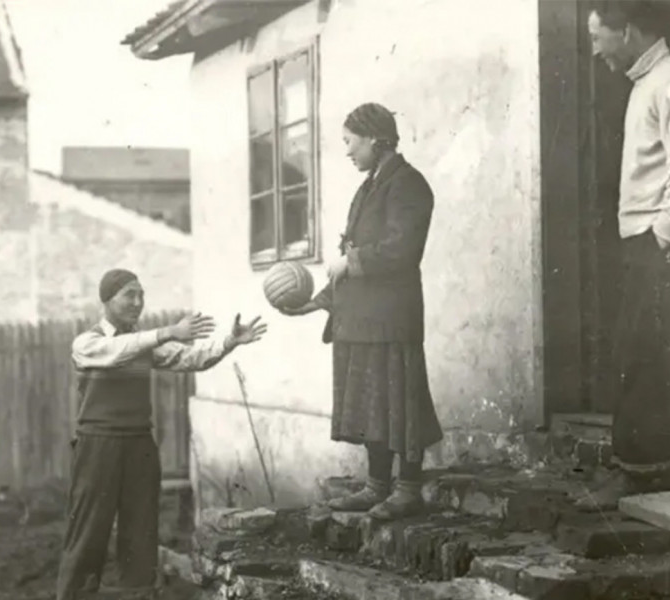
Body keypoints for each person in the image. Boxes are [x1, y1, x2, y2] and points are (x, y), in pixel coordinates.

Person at [56, 269, 267, 599]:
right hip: (98, 445)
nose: (138, 302)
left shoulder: (143, 344)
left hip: (139, 443)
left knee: (140, 530)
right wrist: (169, 331)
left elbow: (190, 357)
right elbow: (118, 350)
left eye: (141, 295)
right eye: (129, 294)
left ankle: (138, 595)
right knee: (88, 528)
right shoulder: (88, 342)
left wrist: (229, 342)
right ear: (107, 299)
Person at [281, 102, 443, 519]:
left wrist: (350, 263)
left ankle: (407, 488)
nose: (348, 152)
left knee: (399, 402)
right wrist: (313, 303)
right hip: (361, 319)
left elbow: (402, 249)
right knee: (375, 405)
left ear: (374, 138)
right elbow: (349, 261)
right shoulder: (368, 187)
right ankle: (377, 486)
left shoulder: (408, 184)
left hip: (391, 317)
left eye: (351, 143)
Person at [576, 0, 670, 510]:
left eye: (598, 37)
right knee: (637, 352)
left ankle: (640, 471)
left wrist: (663, 236)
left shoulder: (669, 80)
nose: (594, 50)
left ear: (628, 31)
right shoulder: (645, 84)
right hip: (642, 240)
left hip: (659, 245)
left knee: (642, 356)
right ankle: (642, 465)